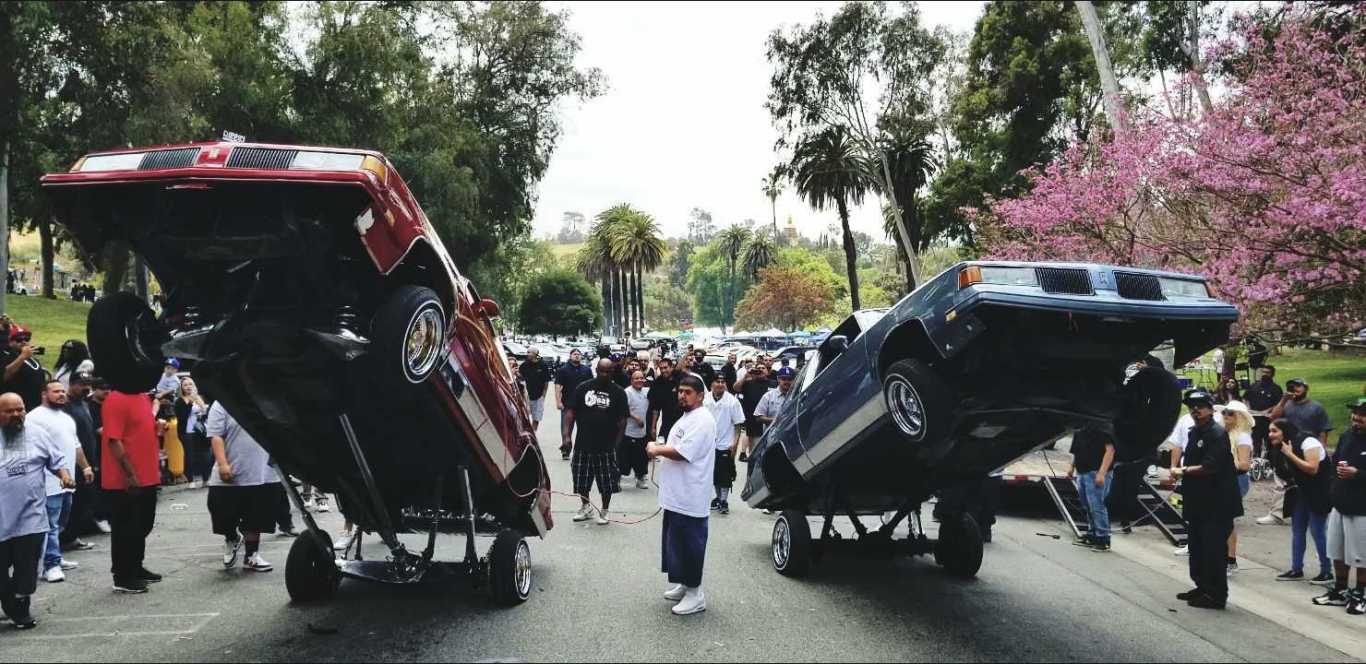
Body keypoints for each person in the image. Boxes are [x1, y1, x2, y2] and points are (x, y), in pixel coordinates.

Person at [0, 393, 74, 629]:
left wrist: (64, 476)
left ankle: (20, 610)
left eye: (19, 409)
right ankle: (9, 601)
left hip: (30, 517)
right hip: (1, 521)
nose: (16, 415)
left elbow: (56, 460)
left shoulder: (37, 433)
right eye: (9, 411)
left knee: (27, 569)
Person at [647, 374, 715, 616]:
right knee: (675, 543)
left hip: (691, 496)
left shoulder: (703, 419)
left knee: (690, 545)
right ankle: (685, 584)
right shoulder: (688, 417)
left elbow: (683, 452)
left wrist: (655, 448)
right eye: (680, 392)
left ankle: (696, 594)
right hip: (677, 495)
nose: (682, 396)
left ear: (700, 395)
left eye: (688, 392)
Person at [1171, 390, 1242, 609]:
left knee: (1213, 550)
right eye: (1192, 406)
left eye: (1200, 406)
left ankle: (1216, 594)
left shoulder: (1216, 433)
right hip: (1198, 500)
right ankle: (1202, 586)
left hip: (1217, 502)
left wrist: (1182, 470)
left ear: (1211, 409)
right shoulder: (1195, 432)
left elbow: (1210, 467)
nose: (1195, 410)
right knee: (1198, 546)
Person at [27, 381, 94, 583]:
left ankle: (55, 556)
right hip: (47, 482)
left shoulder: (66, 418)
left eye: (63, 391)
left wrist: (86, 467)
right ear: (44, 394)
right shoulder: (34, 418)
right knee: (51, 524)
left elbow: (75, 445)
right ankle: (51, 565)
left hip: (68, 481)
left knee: (62, 522)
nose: (61, 395)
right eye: (56, 391)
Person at [101, 385, 163, 594]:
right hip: (125, 479)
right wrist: (129, 474)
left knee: (143, 524)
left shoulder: (142, 396)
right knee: (125, 528)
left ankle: (135, 566)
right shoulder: (116, 399)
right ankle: (122, 575)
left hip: (147, 475)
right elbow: (113, 439)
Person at [205, 401, 277, 572]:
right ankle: (231, 538)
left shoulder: (262, 399)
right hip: (231, 469)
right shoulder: (221, 403)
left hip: (262, 470)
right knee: (221, 512)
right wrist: (222, 464)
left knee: (256, 516)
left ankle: (251, 556)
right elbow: (215, 435)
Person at [1312, 397, 1366, 613]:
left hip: (1362, 509)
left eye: (1362, 415)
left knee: (1361, 555)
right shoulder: (1346, 436)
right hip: (1340, 504)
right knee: (1337, 551)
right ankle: (1341, 589)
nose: (1357, 418)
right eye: (1355, 413)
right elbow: (1335, 465)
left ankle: (1361, 593)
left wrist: (1358, 474)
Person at [1269, 418, 1334, 585]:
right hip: (1301, 492)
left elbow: (1313, 469)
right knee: (1297, 529)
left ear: (1286, 430)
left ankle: (1326, 572)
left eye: (1274, 431)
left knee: (1317, 530)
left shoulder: (1308, 441)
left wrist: (1290, 454)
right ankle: (1296, 568)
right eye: (1270, 431)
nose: (1270, 435)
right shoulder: (1279, 448)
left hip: (1319, 491)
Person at [562, 359, 627, 526]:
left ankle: (604, 510)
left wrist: (617, 446)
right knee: (581, 480)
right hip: (583, 444)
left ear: (612, 372)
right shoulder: (583, 388)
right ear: (596, 370)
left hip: (606, 446)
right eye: (601, 371)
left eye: (608, 371)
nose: (604, 374)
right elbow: (570, 413)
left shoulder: (618, 392)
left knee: (606, 483)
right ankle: (586, 507)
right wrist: (567, 437)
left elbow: (622, 422)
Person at [62, 372, 102, 544]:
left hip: (88, 460)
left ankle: (73, 536)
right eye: (81, 383)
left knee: (84, 500)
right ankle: (66, 538)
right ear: (71, 384)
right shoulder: (65, 405)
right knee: (73, 502)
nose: (86, 387)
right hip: (72, 462)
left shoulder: (84, 404)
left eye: (88, 383)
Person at [1219, 401, 1256, 574]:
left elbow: (1243, 465)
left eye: (1231, 413)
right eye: (1225, 412)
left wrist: (1221, 463)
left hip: (1235, 479)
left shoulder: (1242, 437)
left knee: (1226, 520)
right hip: (1222, 478)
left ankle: (1230, 559)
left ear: (1239, 417)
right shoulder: (1222, 434)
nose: (1226, 416)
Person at [1069, 422, 1117, 552]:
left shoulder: (1103, 426)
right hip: (1082, 471)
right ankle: (1092, 534)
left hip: (1096, 472)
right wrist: (1071, 466)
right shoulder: (1079, 426)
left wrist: (1102, 473)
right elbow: (1076, 450)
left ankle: (1103, 538)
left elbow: (1110, 451)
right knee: (1087, 504)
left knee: (1097, 505)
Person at [703, 374, 744, 515]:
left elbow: (738, 424)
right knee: (713, 473)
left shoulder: (732, 401)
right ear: (711, 385)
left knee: (725, 474)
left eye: (722, 382)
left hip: (726, 443)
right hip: (709, 443)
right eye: (717, 381)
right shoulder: (705, 399)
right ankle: (718, 498)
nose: (720, 384)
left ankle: (724, 500)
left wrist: (735, 443)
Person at [554, 349, 594, 460]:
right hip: (568, 404)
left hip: (583, 405)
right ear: (570, 356)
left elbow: (592, 386)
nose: (577, 356)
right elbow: (558, 387)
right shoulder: (563, 370)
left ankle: (582, 452)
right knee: (566, 430)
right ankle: (566, 450)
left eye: (578, 354)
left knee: (584, 429)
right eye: (574, 354)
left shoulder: (586, 370)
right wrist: (558, 401)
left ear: (581, 356)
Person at [174, 377, 212, 489]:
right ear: (181, 388)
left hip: (200, 432)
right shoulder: (179, 401)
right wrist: (190, 401)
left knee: (205, 455)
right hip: (186, 432)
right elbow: (182, 417)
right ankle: (190, 480)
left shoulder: (198, 398)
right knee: (189, 456)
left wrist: (200, 404)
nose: (188, 386)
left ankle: (206, 479)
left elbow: (205, 413)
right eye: (185, 385)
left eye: (190, 384)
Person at [0, 324, 46, 413]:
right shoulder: (7, 357)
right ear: (10, 342)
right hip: (17, 408)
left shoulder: (33, 359)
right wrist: (22, 357)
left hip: (36, 407)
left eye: (27, 339)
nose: (24, 342)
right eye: (19, 340)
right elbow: (4, 376)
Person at [734, 362, 774, 463]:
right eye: (758, 368)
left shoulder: (773, 383)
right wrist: (745, 377)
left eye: (763, 368)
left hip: (769, 421)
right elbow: (735, 388)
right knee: (754, 451)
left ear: (767, 371)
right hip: (753, 421)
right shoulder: (748, 383)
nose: (760, 370)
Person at [618, 370, 651, 490]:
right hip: (628, 431)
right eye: (636, 378)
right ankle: (617, 479)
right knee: (624, 458)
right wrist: (636, 418)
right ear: (631, 380)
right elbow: (623, 408)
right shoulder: (627, 392)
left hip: (642, 433)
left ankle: (641, 478)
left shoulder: (646, 391)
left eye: (641, 378)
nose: (639, 381)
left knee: (641, 458)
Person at [1245, 365, 1282, 459]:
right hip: (1254, 420)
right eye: (1263, 372)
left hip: (1268, 421)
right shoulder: (1254, 385)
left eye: (1267, 373)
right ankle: (1254, 462)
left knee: (1269, 445)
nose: (1264, 374)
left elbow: (1279, 404)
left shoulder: (1276, 389)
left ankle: (1269, 462)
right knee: (1254, 443)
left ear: (1272, 375)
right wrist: (1248, 409)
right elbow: (1246, 398)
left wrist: (1268, 410)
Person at [647, 357, 683, 445]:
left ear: (671, 367)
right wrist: (653, 427)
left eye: (665, 368)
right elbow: (655, 408)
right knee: (662, 445)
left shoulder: (681, 378)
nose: (663, 371)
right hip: (666, 421)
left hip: (682, 420)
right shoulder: (657, 384)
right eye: (661, 368)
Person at [519, 348, 553, 431]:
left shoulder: (543, 365)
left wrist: (543, 395)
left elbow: (546, 381)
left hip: (539, 396)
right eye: (527, 352)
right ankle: (525, 432)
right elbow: (519, 376)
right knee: (525, 416)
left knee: (536, 418)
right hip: (527, 395)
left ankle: (533, 433)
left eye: (529, 352)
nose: (527, 354)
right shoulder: (524, 365)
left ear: (535, 354)